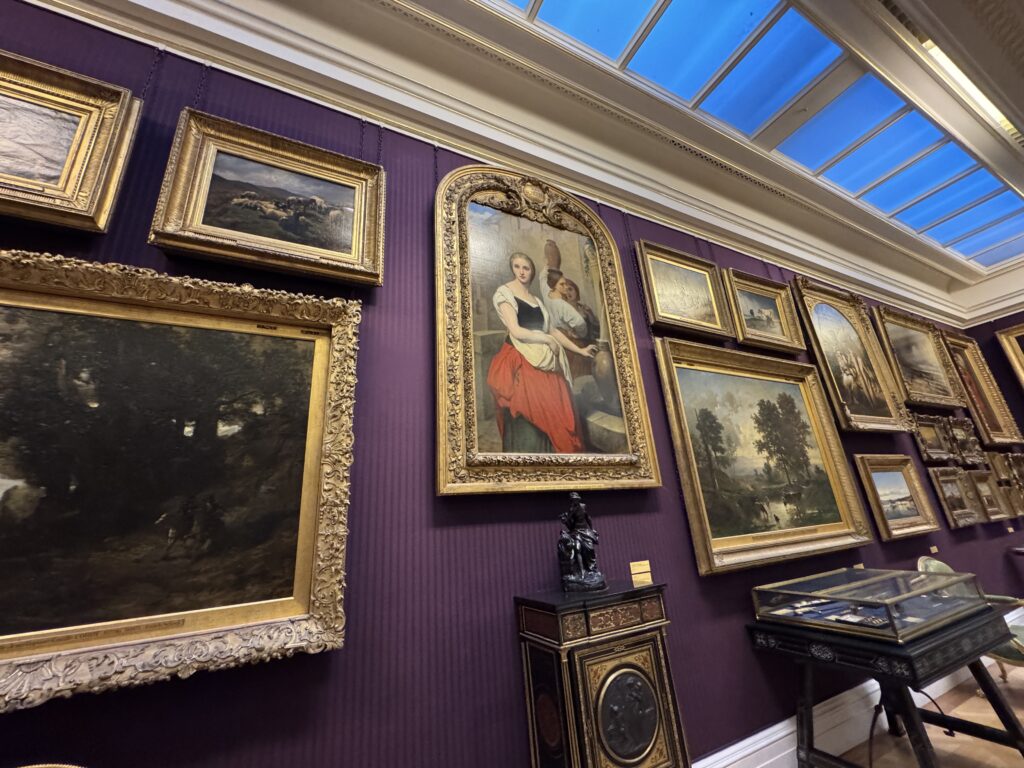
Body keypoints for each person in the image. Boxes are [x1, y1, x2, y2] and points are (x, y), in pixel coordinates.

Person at [487, 252, 597, 453]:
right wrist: (546, 340)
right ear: (512, 269)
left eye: (526, 268)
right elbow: (516, 330)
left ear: (532, 271)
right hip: (520, 359)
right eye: (517, 267)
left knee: (557, 412)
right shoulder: (505, 293)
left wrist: (580, 350)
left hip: (546, 360)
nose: (521, 271)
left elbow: (552, 331)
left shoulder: (537, 300)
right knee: (531, 407)